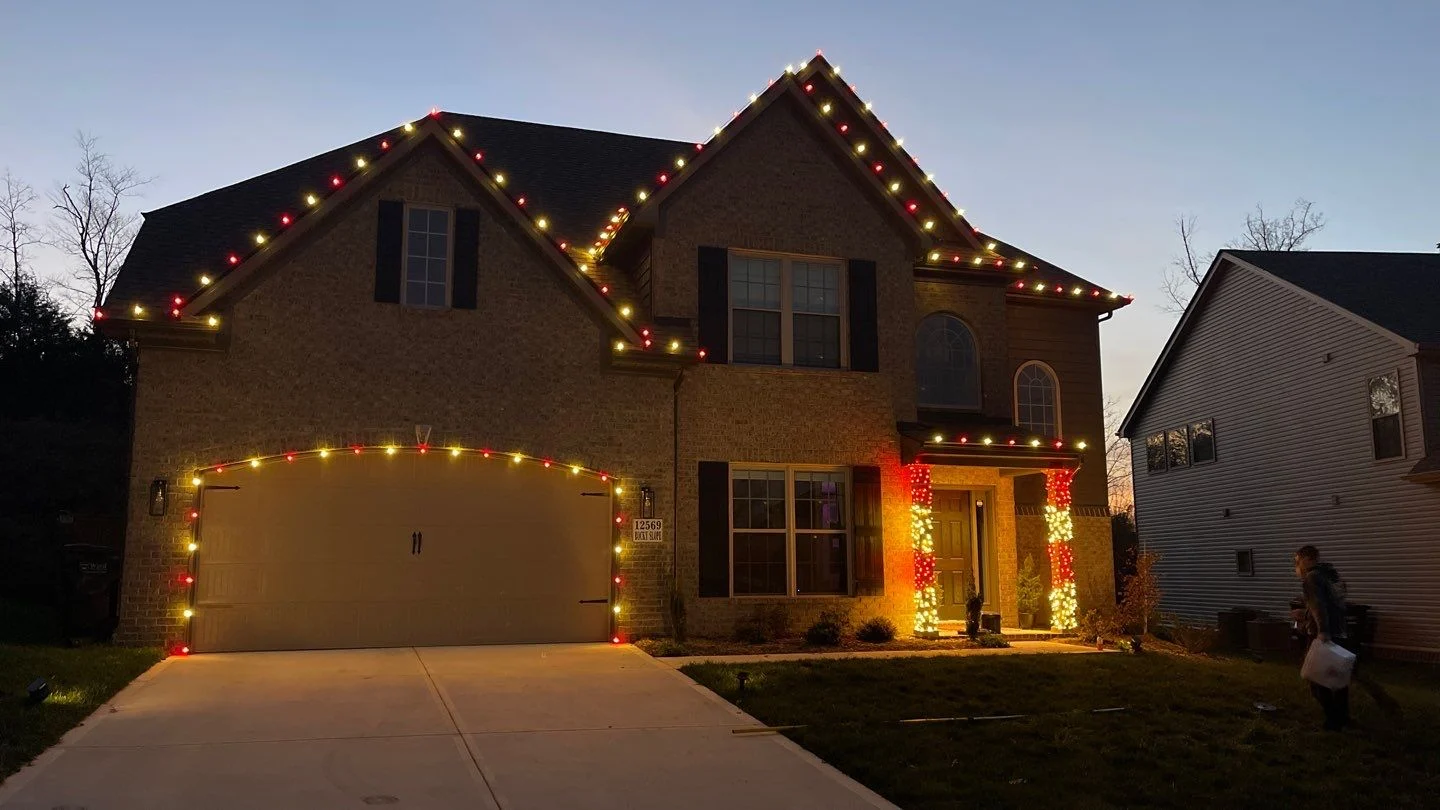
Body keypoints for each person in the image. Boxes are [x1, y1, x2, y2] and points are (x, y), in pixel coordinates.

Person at [1293, 545, 1352, 730]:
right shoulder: (1331, 575)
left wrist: (1322, 631)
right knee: (1338, 677)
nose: (1297, 566)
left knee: (1316, 678)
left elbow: (1319, 605)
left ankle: (1332, 720)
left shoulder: (1311, 577)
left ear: (1306, 559)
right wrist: (1305, 614)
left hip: (1323, 634)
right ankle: (1342, 717)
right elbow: (1336, 603)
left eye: (1297, 560)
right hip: (1340, 631)